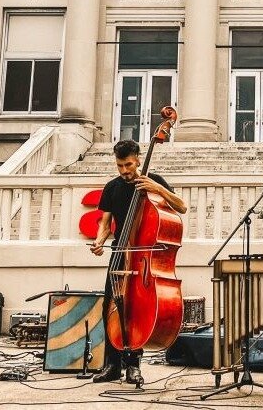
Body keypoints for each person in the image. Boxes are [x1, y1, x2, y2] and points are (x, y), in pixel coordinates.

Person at [90, 139, 187, 386]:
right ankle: (112, 365)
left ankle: (133, 365)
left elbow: (182, 207)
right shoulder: (112, 187)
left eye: (129, 164)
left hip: (143, 257)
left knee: (134, 308)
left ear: (138, 160)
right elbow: (105, 221)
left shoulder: (153, 181)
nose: (124, 170)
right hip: (120, 252)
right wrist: (99, 241)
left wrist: (158, 188)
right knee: (109, 306)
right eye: (120, 165)